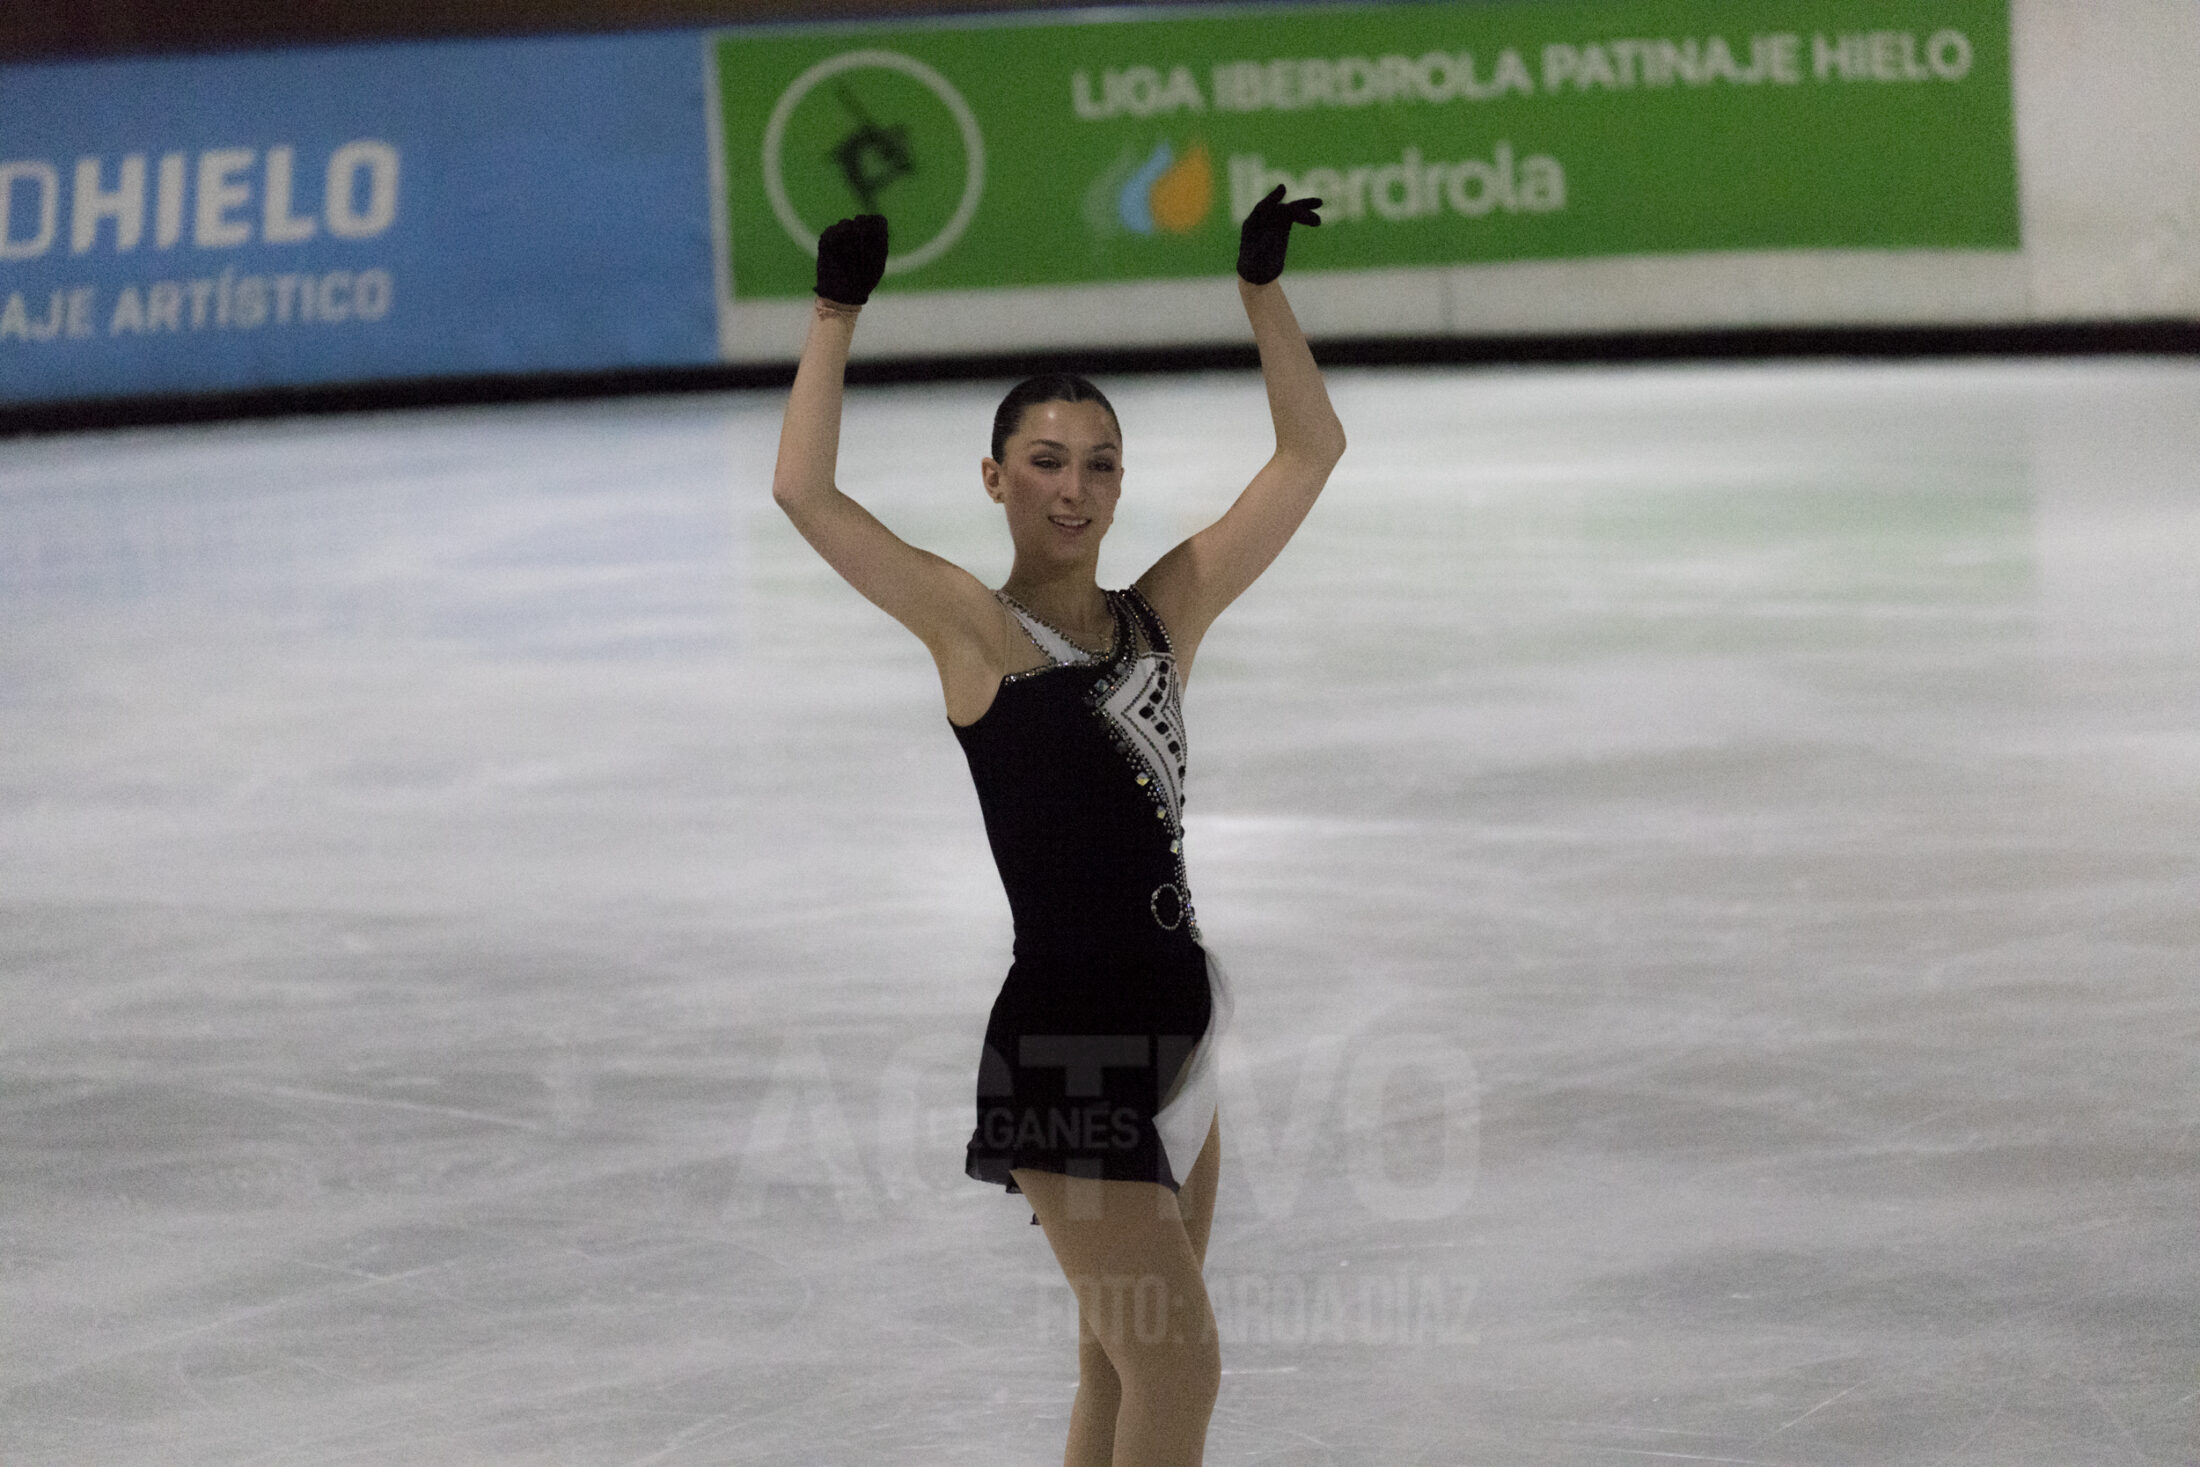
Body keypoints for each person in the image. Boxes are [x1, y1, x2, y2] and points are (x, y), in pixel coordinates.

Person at [770, 187, 1343, 1467]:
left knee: (1116, 1371)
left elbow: (1309, 455)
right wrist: (832, 315)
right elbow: (804, 493)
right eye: (1045, 461)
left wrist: (1261, 295)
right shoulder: (975, 630)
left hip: (1177, 1031)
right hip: (1067, 1048)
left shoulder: (1162, 618)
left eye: (1099, 463)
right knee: (1179, 1374)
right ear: (994, 477)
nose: (1074, 489)